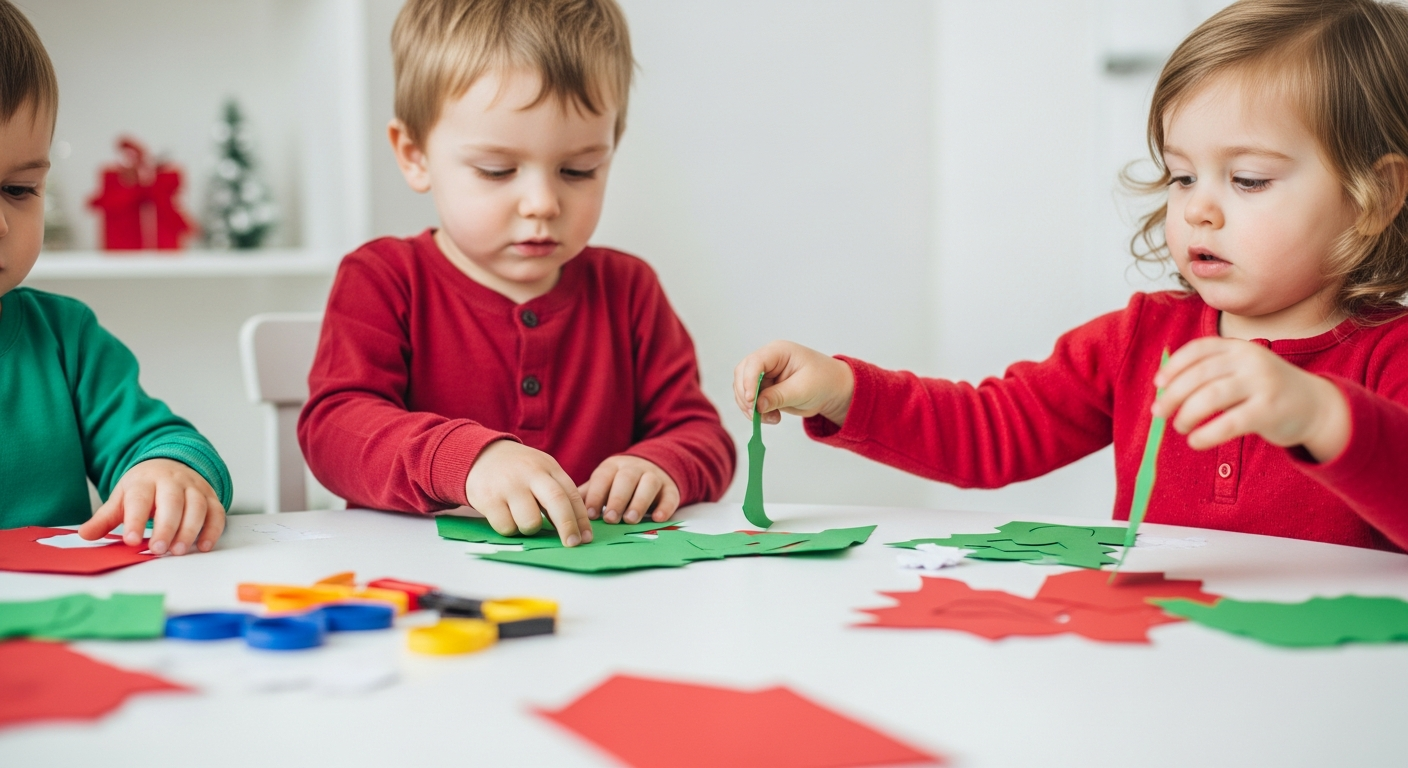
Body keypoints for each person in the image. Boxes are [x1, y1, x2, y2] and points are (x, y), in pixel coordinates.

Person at [734, 0, 1408, 551]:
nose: (1198, 208)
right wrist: (846, 392)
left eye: (1248, 179)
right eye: (1181, 175)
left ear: (1373, 196)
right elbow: (991, 429)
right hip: (1161, 662)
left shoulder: (1391, 356)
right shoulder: (1139, 339)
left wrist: (1322, 415)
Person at [299, 0, 735, 547]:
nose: (542, 203)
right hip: (415, 589)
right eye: (497, 170)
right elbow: (335, 431)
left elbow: (703, 435)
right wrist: (467, 461)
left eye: (578, 170)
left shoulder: (629, 290)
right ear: (414, 155)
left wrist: (661, 464)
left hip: (607, 595)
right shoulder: (383, 278)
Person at [0, 0, 232, 554]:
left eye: (18, 190)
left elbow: (162, 440)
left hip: (54, 616)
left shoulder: (65, 338)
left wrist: (167, 472)